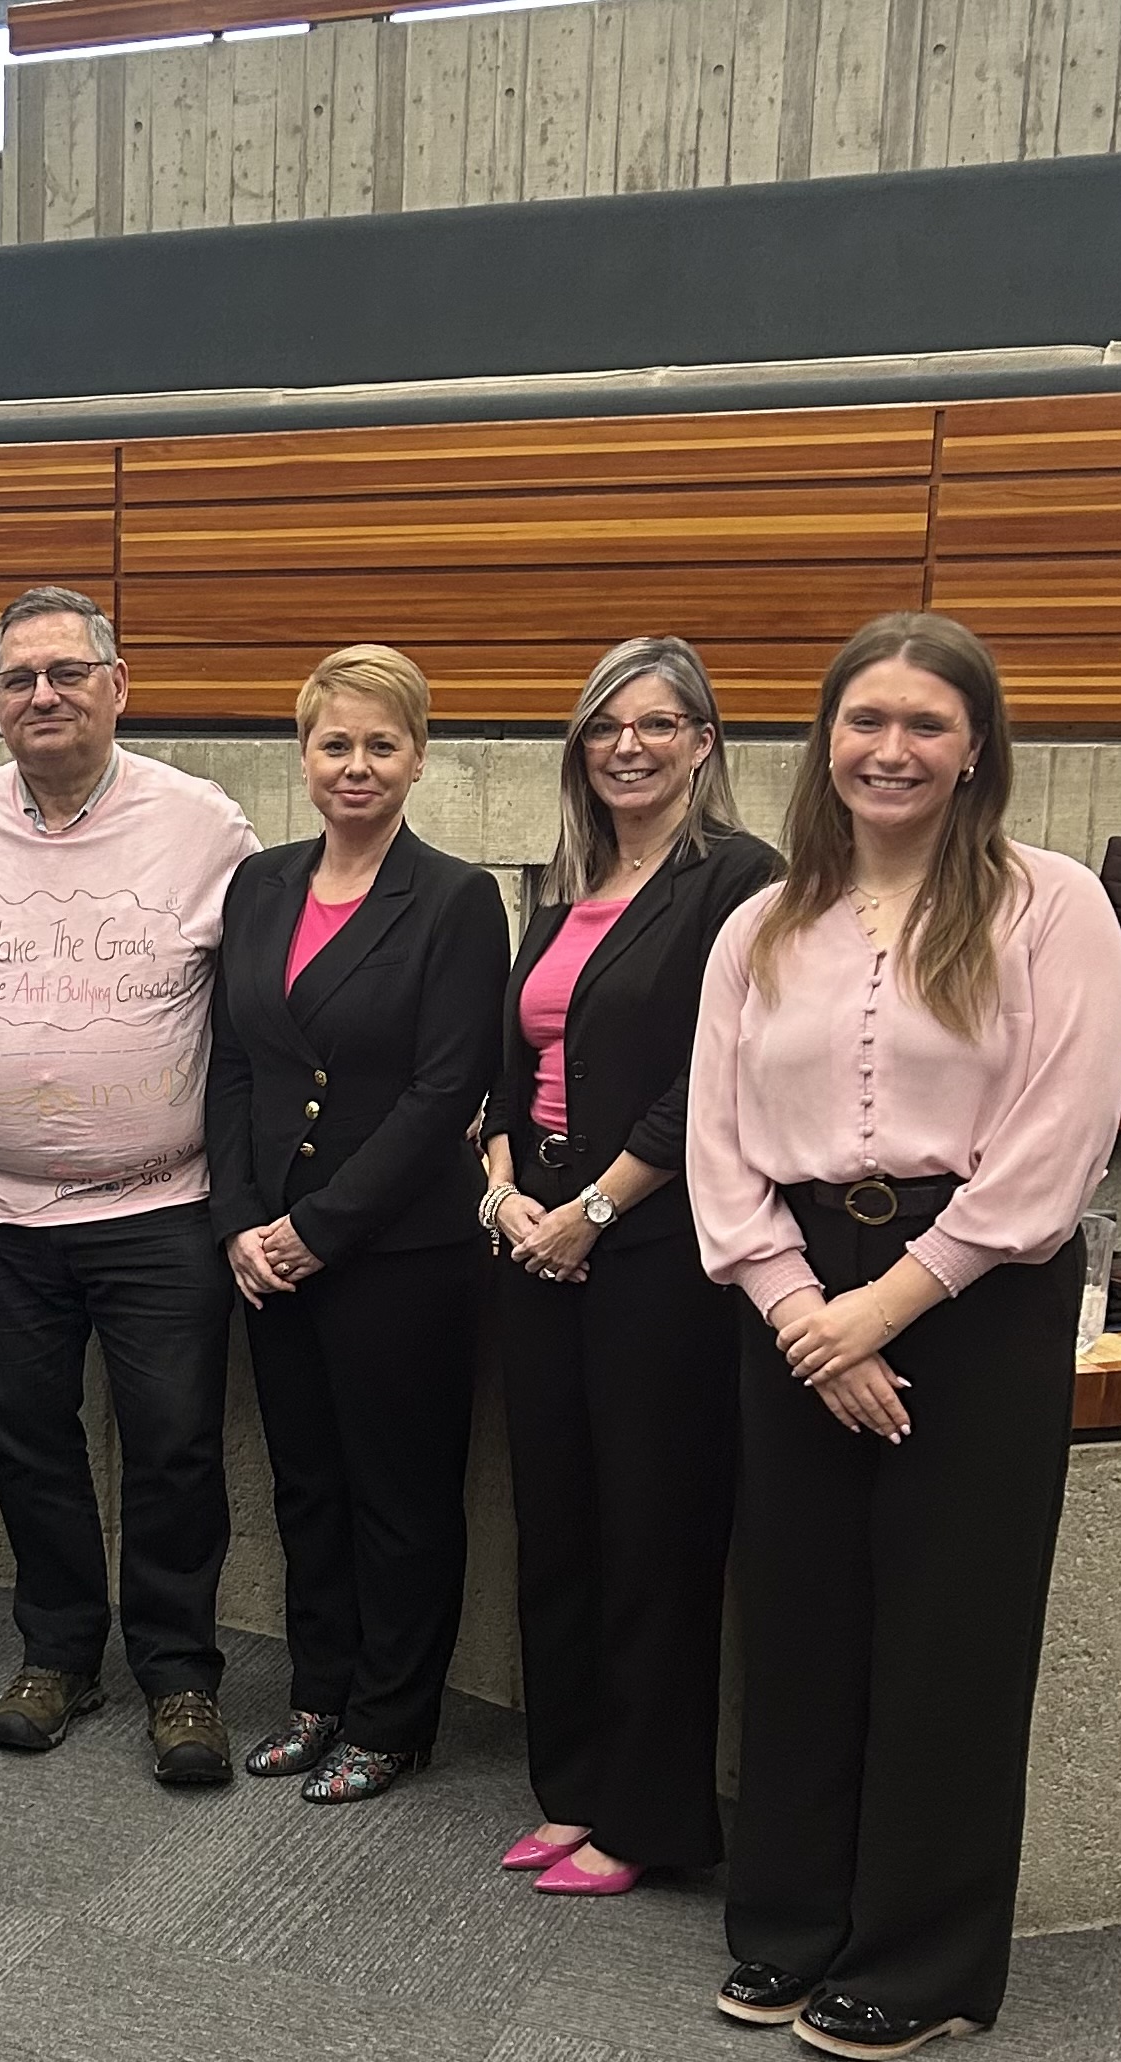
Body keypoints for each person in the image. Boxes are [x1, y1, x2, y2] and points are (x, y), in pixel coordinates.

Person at [688, 611, 1121, 2059]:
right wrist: (801, 1309)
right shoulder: (761, 923)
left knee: (953, 1629)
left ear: (976, 749)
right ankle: (792, 1921)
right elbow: (718, 1144)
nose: (891, 749)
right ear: (825, 743)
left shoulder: (1049, 904)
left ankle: (924, 1957)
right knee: (803, 1617)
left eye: (926, 724)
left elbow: (1059, 1140)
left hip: (981, 1294)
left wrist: (888, 1303)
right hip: (794, 1285)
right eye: (865, 721)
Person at [0, 585, 255, 1786]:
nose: (40, 695)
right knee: (25, 1441)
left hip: (161, 1209)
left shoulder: (205, 824)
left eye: (64, 672)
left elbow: (249, 1014)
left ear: (118, 683)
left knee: (171, 1445)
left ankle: (179, 1670)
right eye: (16, 679)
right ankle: (58, 1649)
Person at [479, 639, 780, 1895]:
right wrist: (500, 1182)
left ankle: (650, 1815)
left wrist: (592, 1208)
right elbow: (514, 1055)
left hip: (654, 1249)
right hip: (530, 1235)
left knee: (653, 1530)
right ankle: (574, 1785)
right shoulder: (567, 875)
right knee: (555, 1524)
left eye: (658, 725)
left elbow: (716, 1073)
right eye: (605, 727)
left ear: (704, 742)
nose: (629, 747)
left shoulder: (741, 880)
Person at [209, 644, 509, 1805]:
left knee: (401, 1493)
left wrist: (315, 1228)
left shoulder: (453, 898)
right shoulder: (261, 885)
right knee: (306, 1483)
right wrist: (243, 1220)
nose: (357, 765)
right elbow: (233, 1060)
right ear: (304, 753)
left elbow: (446, 1092)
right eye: (336, 742)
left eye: (382, 744)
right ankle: (317, 1692)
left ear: (419, 757)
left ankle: (393, 1716)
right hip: (271, 1254)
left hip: (399, 1256)